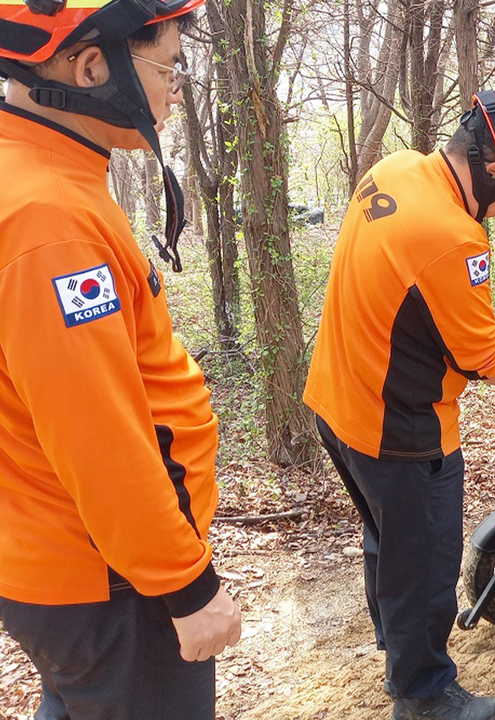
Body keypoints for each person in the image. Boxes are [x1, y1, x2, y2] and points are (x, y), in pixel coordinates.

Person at [0, 3, 241, 719]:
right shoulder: (49, 222)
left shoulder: (51, 173)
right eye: (166, 65)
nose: (175, 86)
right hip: (111, 582)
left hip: (82, 563)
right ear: (92, 66)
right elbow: (98, 435)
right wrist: (188, 589)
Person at [305, 89, 495, 720]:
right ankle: (423, 693)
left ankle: (394, 643)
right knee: (426, 561)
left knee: (386, 538)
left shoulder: (394, 170)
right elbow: (490, 362)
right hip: (401, 428)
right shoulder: (454, 236)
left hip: (336, 401)